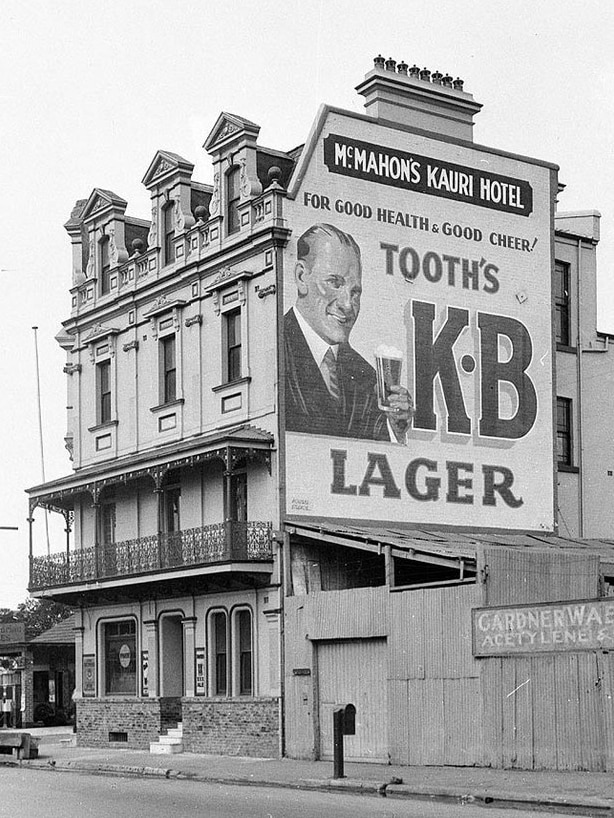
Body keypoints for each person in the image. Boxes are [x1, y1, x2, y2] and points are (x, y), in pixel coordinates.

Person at [285, 223, 412, 441]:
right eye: (334, 282)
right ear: (301, 277)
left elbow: (374, 452)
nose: (347, 305)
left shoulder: (365, 375)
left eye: (355, 292)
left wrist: (395, 429)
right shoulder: (275, 347)